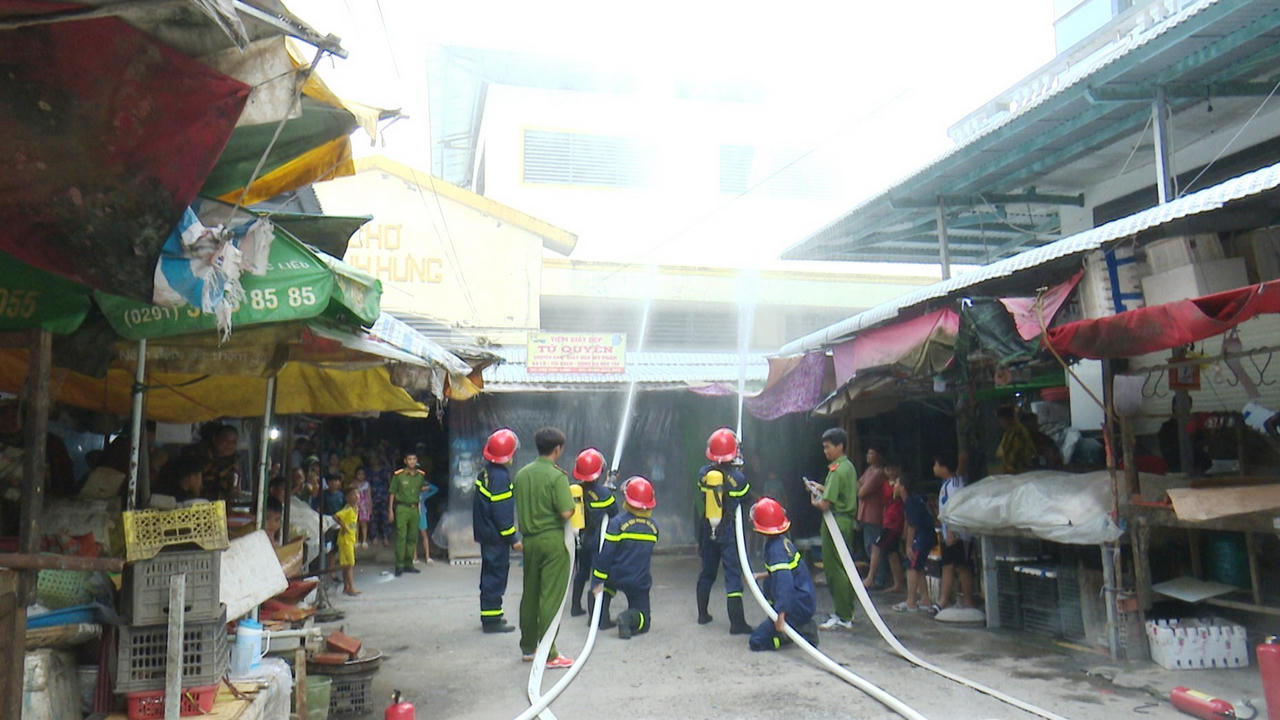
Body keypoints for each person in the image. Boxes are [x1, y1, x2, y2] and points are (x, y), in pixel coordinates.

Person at [514, 427, 576, 669]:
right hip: (552, 541)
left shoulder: (521, 475)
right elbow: (565, 511)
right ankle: (549, 653)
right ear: (558, 449)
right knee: (551, 595)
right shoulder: (557, 477)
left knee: (530, 593)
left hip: (529, 541)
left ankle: (528, 647)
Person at [695, 428, 752, 634]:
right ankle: (737, 624)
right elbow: (745, 498)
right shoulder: (739, 479)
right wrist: (739, 470)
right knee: (732, 575)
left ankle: (702, 614)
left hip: (708, 527)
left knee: (707, 572)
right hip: (728, 530)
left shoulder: (703, 474)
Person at [747, 498, 819, 651]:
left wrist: (781, 616)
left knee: (757, 641)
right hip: (803, 600)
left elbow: (784, 583)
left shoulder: (775, 550)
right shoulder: (782, 542)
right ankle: (801, 625)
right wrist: (760, 575)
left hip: (796, 606)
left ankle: (797, 634)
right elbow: (784, 572)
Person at [591, 476, 658, 639]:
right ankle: (628, 618)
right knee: (644, 620)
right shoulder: (653, 528)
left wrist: (597, 581)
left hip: (615, 576)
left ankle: (601, 618)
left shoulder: (616, 524)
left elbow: (606, 554)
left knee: (605, 588)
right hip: (638, 580)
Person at [807, 427, 858, 631]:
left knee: (834, 569)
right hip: (845, 521)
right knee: (844, 566)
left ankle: (842, 615)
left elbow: (826, 504)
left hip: (834, 521)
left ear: (840, 446)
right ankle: (847, 610)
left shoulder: (836, 469)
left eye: (828, 447)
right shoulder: (848, 466)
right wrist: (819, 487)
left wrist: (814, 500)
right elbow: (837, 493)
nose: (825, 451)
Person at [474, 428, 522, 633]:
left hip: (487, 533)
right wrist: (513, 537)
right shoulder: (500, 477)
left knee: (489, 573)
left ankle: (491, 615)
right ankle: (491, 621)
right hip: (496, 536)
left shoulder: (486, 472)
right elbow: (502, 513)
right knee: (496, 574)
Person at [569, 448, 618, 618]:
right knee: (597, 575)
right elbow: (614, 512)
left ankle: (575, 607)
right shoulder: (604, 494)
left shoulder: (574, 491)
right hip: (597, 541)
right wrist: (609, 489)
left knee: (581, 573)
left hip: (580, 540)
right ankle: (594, 615)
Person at [934, 453, 975, 610]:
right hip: (950, 533)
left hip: (958, 534)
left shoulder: (955, 485)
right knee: (952, 565)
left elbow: (955, 508)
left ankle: (962, 601)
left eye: (936, 464)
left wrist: (953, 531)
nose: (934, 468)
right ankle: (947, 600)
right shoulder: (948, 484)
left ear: (944, 467)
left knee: (958, 566)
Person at [893, 472, 937, 613]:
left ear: (903, 487)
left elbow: (912, 525)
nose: (894, 485)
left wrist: (908, 546)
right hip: (927, 535)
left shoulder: (911, 502)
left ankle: (911, 601)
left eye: (897, 483)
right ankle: (925, 599)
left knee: (912, 566)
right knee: (918, 566)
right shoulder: (913, 500)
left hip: (922, 536)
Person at [862, 462, 905, 593]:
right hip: (887, 521)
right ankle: (898, 583)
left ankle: (871, 577)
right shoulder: (885, 484)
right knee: (892, 553)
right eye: (888, 469)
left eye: (893, 469)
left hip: (895, 522)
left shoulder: (901, 484)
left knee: (877, 546)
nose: (891, 472)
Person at [389, 452, 429, 577]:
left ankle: (409, 564)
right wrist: (390, 510)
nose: (412, 461)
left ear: (416, 460)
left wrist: (424, 489)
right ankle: (399, 565)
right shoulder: (398, 475)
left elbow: (423, 487)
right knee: (401, 536)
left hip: (414, 508)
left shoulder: (420, 475)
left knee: (413, 537)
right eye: (409, 459)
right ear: (405, 461)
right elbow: (392, 493)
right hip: (402, 508)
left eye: (414, 459)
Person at [857, 444, 887, 586]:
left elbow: (861, 491)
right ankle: (875, 576)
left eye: (871, 453)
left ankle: (879, 578)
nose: (868, 456)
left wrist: (861, 487)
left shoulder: (879, 473)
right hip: (865, 514)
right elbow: (858, 484)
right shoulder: (870, 470)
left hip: (874, 514)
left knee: (875, 546)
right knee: (869, 546)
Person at [995, 405, 1035, 475]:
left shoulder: (1016, 432)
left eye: (1001, 420)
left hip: (1018, 472)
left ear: (1005, 419)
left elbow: (1011, 455)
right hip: (1016, 472)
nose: (1000, 423)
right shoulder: (1011, 431)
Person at [336, 486, 360, 596]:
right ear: (347, 498)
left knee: (346, 564)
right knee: (350, 564)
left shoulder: (355, 508)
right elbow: (335, 517)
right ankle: (351, 587)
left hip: (350, 539)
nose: (356, 497)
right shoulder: (348, 509)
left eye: (357, 494)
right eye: (353, 495)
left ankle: (346, 587)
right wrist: (344, 527)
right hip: (345, 540)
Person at [414, 479, 439, 565]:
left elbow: (435, 489)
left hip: (422, 514)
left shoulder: (423, 494)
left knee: (424, 535)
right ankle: (414, 557)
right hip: (412, 515)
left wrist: (426, 485)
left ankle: (427, 557)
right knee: (413, 536)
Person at [369, 455, 392, 547]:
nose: (374, 460)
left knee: (385, 518)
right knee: (373, 518)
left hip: (384, 497)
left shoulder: (385, 470)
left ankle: (385, 537)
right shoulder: (369, 471)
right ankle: (374, 537)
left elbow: (390, 482)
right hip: (373, 497)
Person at [354, 467, 372, 548]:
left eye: (362, 474)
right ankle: (356, 540)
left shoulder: (367, 484)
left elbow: (369, 496)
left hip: (364, 506)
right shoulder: (353, 484)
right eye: (359, 474)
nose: (360, 476)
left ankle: (364, 540)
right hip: (355, 505)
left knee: (363, 524)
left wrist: (370, 507)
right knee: (355, 524)